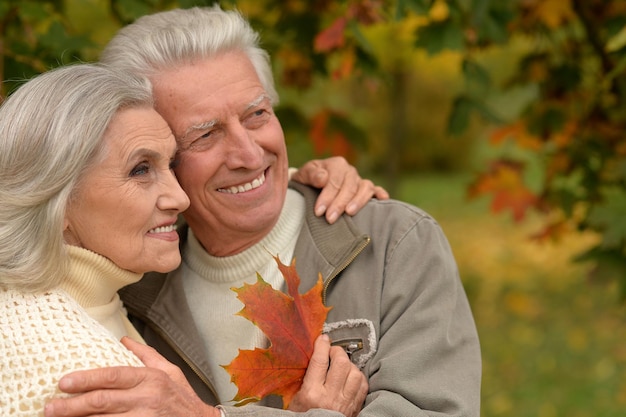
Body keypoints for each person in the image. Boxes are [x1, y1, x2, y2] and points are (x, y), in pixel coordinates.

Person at [46, 5, 482, 417]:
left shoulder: (395, 244)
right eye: (206, 135)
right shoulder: (127, 287)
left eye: (256, 114)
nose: (250, 154)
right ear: (156, 153)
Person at [0, 63, 370, 417]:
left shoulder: (87, 301)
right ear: (56, 199)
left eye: (171, 164)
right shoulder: (61, 366)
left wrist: (292, 180)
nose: (179, 197)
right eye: (141, 170)